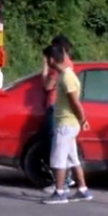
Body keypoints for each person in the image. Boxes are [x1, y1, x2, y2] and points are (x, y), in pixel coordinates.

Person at [42, 43, 92, 204]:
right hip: (69, 124)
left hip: (66, 124)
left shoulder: (66, 77)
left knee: (58, 159)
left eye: (46, 59)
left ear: (51, 59)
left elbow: (74, 102)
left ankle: (60, 192)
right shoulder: (67, 75)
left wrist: (82, 119)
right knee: (72, 159)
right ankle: (83, 190)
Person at [41, 34, 75, 193]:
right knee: (68, 151)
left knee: (56, 149)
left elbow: (47, 85)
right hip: (63, 111)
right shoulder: (70, 65)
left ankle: (61, 185)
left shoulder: (57, 69)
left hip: (55, 108)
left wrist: (44, 68)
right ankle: (70, 183)